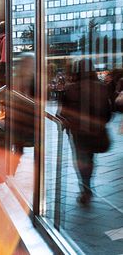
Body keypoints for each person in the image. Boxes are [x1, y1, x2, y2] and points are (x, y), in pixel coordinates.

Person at [60, 59, 113, 206]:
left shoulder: (70, 88)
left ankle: (85, 188)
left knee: (81, 159)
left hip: (78, 132)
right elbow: (108, 113)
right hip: (95, 130)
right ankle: (87, 185)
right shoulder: (102, 87)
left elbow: (62, 112)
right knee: (90, 159)